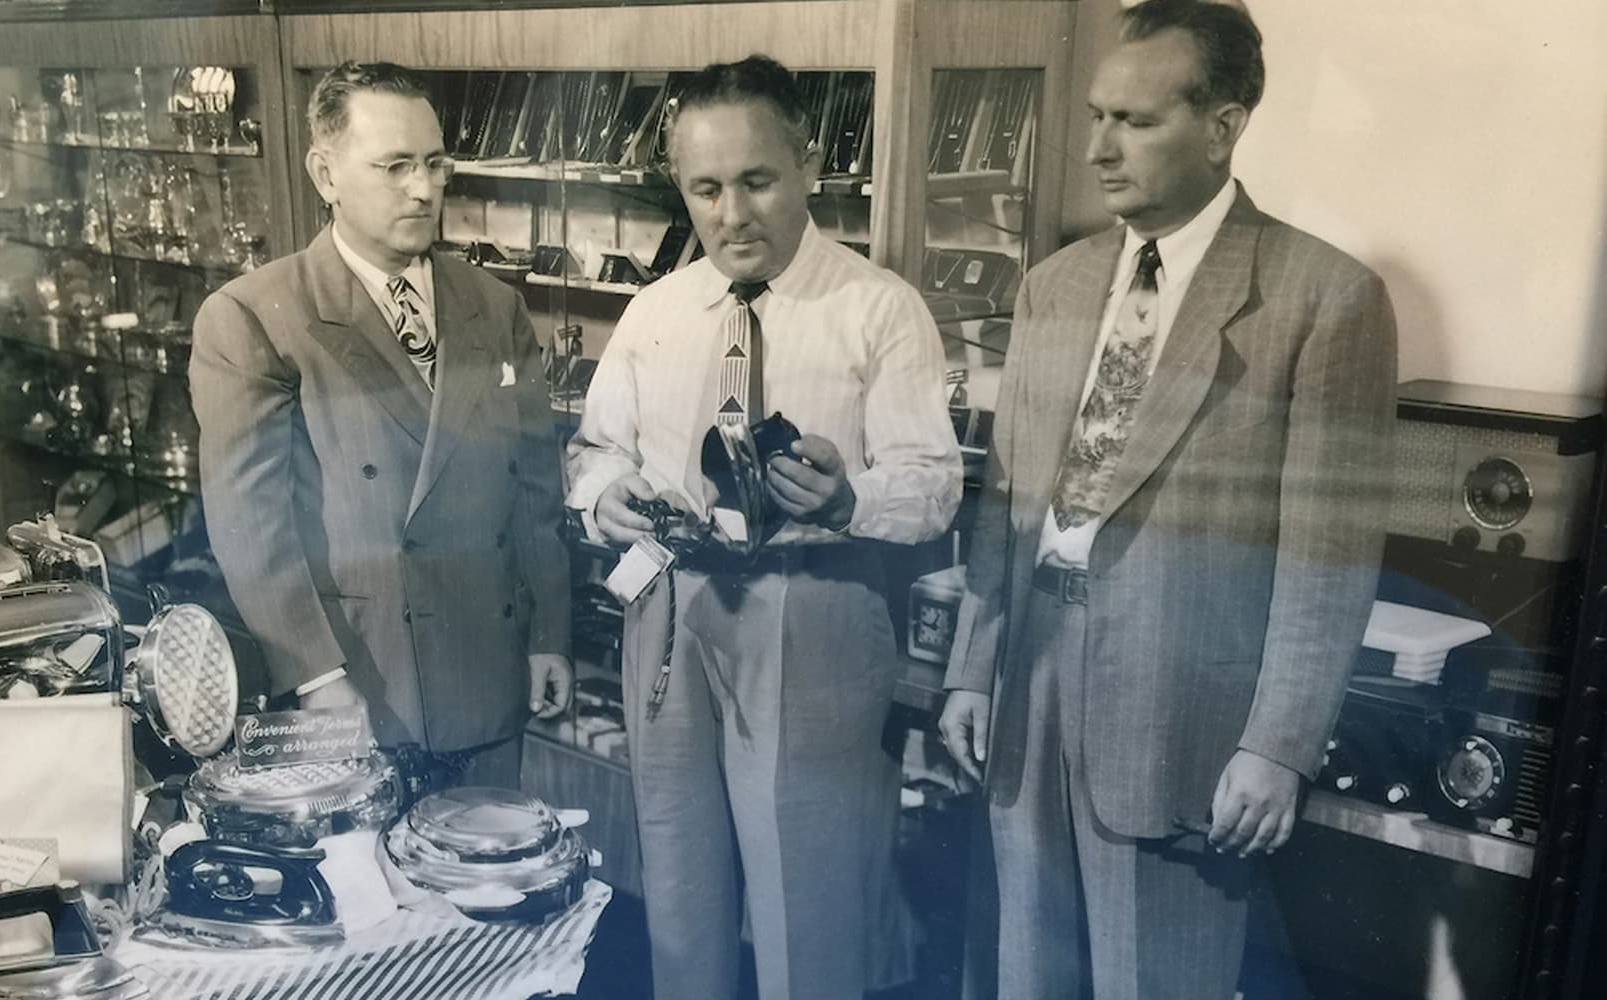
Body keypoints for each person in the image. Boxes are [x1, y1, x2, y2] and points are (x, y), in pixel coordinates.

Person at [937, 2, 1399, 997]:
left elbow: (1329, 555)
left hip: (1184, 716)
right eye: (1098, 116)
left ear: (1224, 126)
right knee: (1026, 976)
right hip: (1029, 690)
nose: (1099, 148)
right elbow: (1006, 501)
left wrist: (1279, 745)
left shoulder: (1322, 297)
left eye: (1136, 122)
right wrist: (973, 668)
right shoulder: (1053, 288)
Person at [566, 55, 961, 1000]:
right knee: (678, 875)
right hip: (666, 602)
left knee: (807, 892)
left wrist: (847, 499)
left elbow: (935, 485)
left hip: (814, 605)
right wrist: (604, 495)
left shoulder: (878, 310)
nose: (732, 215)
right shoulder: (655, 312)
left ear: (810, 165)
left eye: (756, 181)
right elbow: (590, 450)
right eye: (706, 188)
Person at [189, 61, 573, 787]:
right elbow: (253, 530)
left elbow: (534, 492)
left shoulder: (493, 307)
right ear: (325, 174)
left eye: (434, 163)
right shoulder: (254, 318)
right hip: (357, 683)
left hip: (488, 676)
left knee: (486, 886)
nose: (425, 189)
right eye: (394, 166)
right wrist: (315, 678)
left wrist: (550, 636)